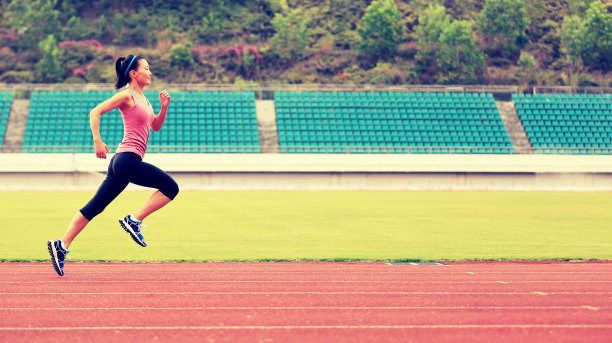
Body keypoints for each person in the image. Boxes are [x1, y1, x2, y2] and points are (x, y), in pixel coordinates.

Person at [47, 55, 179, 276]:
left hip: (122, 162)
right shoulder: (126, 96)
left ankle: (61, 245)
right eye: (146, 68)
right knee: (171, 188)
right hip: (127, 160)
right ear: (133, 73)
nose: (150, 72)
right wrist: (98, 141)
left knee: (95, 207)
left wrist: (164, 107)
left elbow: (155, 126)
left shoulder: (145, 100)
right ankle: (134, 220)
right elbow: (95, 111)